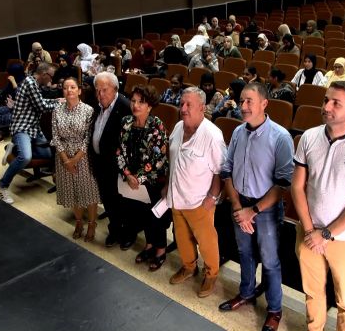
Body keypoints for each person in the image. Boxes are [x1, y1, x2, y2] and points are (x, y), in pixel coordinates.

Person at [292, 81, 345, 331]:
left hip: (343, 238)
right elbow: (297, 187)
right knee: (312, 292)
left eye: (335, 103)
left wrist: (326, 234)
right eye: (325, 100)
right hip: (309, 232)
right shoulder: (309, 136)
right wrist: (310, 231)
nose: (327, 106)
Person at [219, 83, 294, 331]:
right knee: (245, 254)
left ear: (264, 103)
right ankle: (247, 293)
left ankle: (274, 309)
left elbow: (282, 184)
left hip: (266, 211)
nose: (243, 106)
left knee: (271, 261)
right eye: (241, 101)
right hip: (240, 205)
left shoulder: (280, 137)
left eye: (249, 101)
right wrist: (239, 207)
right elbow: (227, 170)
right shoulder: (239, 132)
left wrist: (253, 211)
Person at [166, 87, 226, 298]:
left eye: (188, 104)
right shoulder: (178, 127)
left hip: (200, 200)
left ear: (202, 107)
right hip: (176, 197)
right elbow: (171, 158)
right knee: (182, 238)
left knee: (207, 242)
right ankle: (189, 267)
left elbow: (221, 171)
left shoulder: (212, 135)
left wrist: (212, 197)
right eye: (181, 104)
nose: (183, 108)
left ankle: (211, 274)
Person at [117, 85, 170, 271]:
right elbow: (119, 152)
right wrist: (127, 175)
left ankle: (160, 250)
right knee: (140, 214)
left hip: (152, 181)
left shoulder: (157, 125)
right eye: (133, 101)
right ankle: (149, 245)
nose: (135, 105)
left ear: (150, 106)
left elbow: (159, 159)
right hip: (131, 182)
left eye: (141, 102)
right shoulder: (125, 122)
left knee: (155, 217)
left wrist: (137, 178)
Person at [0, 63, 60, 204]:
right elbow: (42, 106)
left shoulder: (32, 82)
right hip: (22, 127)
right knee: (25, 157)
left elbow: (41, 101)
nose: (51, 80)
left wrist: (56, 100)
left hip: (33, 128)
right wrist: (60, 103)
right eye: (50, 77)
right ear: (44, 74)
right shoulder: (31, 83)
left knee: (48, 156)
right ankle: (2, 186)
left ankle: (15, 148)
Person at [87, 71, 133, 248]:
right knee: (108, 200)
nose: (100, 94)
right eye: (97, 90)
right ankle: (114, 230)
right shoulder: (97, 104)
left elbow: (129, 142)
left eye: (104, 90)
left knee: (123, 202)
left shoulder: (125, 106)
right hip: (100, 163)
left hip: (118, 168)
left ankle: (128, 233)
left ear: (115, 89)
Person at [51, 78, 100, 242]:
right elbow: (55, 137)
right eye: (65, 88)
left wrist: (75, 160)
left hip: (83, 158)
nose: (69, 90)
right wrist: (66, 160)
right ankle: (79, 222)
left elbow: (88, 139)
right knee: (71, 193)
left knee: (88, 192)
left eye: (72, 87)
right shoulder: (57, 110)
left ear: (79, 91)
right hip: (63, 156)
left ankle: (92, 223)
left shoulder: (88, 110)